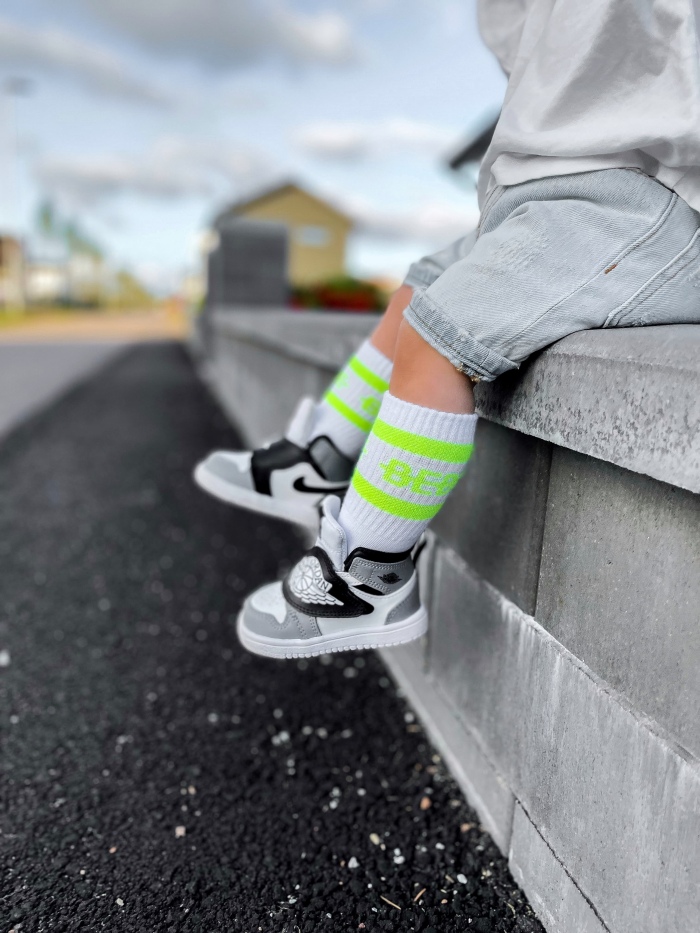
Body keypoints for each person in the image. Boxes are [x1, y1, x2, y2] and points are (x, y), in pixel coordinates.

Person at [195, 0, 700, 658]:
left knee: (441, 334)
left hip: (650, 197)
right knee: (416, 290)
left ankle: (370, 575)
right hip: (539, 191)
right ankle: (321, 461)